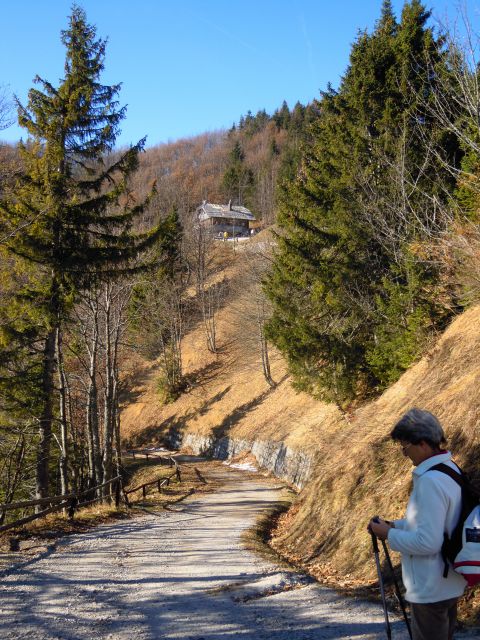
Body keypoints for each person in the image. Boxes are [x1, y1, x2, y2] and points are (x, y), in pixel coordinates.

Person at [369, 408, 467, 640]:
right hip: (448, 580)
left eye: (405, 447)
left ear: (422, 443)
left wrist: (388, 535)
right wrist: (394, 526)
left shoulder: (430, 481)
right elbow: (438, 523)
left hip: (430, 586)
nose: (404, 454)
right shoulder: (450, 470)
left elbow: (428, 543)